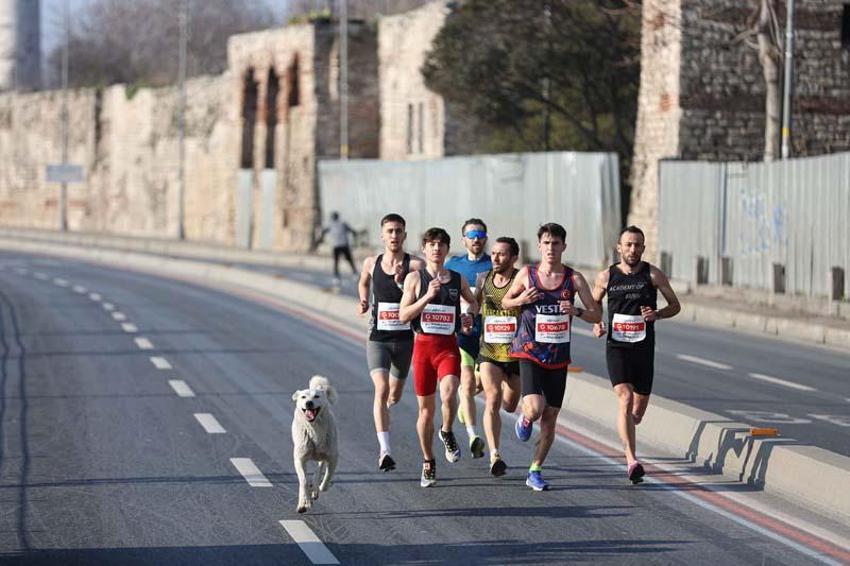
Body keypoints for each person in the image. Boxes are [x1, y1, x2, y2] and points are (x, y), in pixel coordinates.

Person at [502, 223, 601, 491]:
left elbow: (596, 315)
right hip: (529, 351)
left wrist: (577, 311)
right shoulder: (527, 274)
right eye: (546, 243)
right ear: (539, 246)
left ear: (563, 247)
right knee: (534, 408)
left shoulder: (574, 279)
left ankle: (535, 470)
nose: (550, 248)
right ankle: (524, 417)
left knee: (550, 418)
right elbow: (505, 302)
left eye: (555, 244)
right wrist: (522, 298)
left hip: (558, 356)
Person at [591, 225, 680, 484]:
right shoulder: (606, 277)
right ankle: (632, 460)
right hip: (617, 347)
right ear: (619, 248)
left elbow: (675, 305)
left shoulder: (652, 274)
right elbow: (594, 303)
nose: (632, 249)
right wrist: (597, 323)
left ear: (643, 247)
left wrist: (658, 315)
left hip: (643, 349)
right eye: (628, 244)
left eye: (637, 244)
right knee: (625, 398)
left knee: (637, 412)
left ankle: (627, 429)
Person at [399, 227, 477, 487]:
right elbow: (403, 315)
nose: (436, 248)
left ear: (447, 249)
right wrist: (427, 297)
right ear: (424, 248)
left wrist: (469, 316)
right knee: (425, 411)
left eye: (441, 244)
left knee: (450, 391)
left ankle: (447, 431)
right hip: (422, 349)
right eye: (432, 244)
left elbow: (473, 303)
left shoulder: (456, 279)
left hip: (447, 347)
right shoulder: (414, 279)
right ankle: (428, 460)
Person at [357, 213, 425, 472]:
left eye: (398, 231)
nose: (394, 235)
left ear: (405, 235)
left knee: (393, 396)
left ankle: (383, 411)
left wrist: (402, 281)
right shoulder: (371, 263)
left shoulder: (415, 266)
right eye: (390, 231)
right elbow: (364, 283)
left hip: (405, 340)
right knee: (382, 388)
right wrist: (364, 300)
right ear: (382, 235)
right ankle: (385, 450)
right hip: (378, 339)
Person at [474, 237, 522, 477]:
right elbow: (474, 305)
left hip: (515, 354)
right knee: (492, 397)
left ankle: (522, 418)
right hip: (489, 351)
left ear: (514, 258)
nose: (495, 258)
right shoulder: (483, 279)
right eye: (493, 253)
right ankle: (495, 455)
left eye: (501, 254)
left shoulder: (522, 279)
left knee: (511, 406)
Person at [445, 218, 492, 459]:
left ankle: (465, 402)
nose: (476, 238)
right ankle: (474, 435)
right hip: (462, 334)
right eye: (471, 234)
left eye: (480, 234)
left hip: (489, 335)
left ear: (485, 238)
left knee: (482, 384)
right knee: (467, 381)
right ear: (463, 239)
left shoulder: (494, 263)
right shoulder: (453, 264)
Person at [322, 211, 357, 282]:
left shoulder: (330, 224)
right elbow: (352, 231)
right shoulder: (343, 223)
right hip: (344, 244)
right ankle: (355, 273)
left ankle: (336, 276)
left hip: (336, 246)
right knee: (349, 260)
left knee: (336, 262)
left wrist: (321, 236)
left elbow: (323, 231)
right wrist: (355, 235)